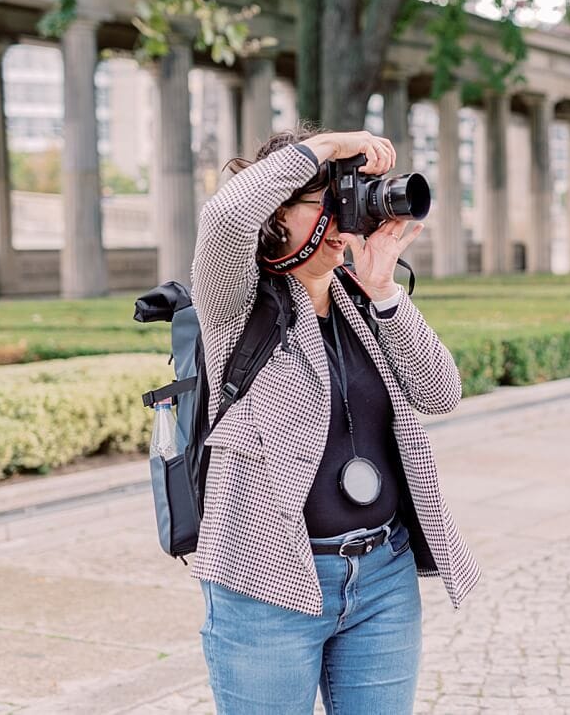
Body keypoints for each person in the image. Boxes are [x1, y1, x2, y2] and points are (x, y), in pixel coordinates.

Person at [190, 126, 479, 714]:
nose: (344, 211)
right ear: (276, 213)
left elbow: (441, 392)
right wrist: (327, 149)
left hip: (381, 578)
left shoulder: (360, 299)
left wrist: (385, 292)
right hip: (266, 585)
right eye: (325, 197)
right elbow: (223, 218)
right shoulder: (236, 301)